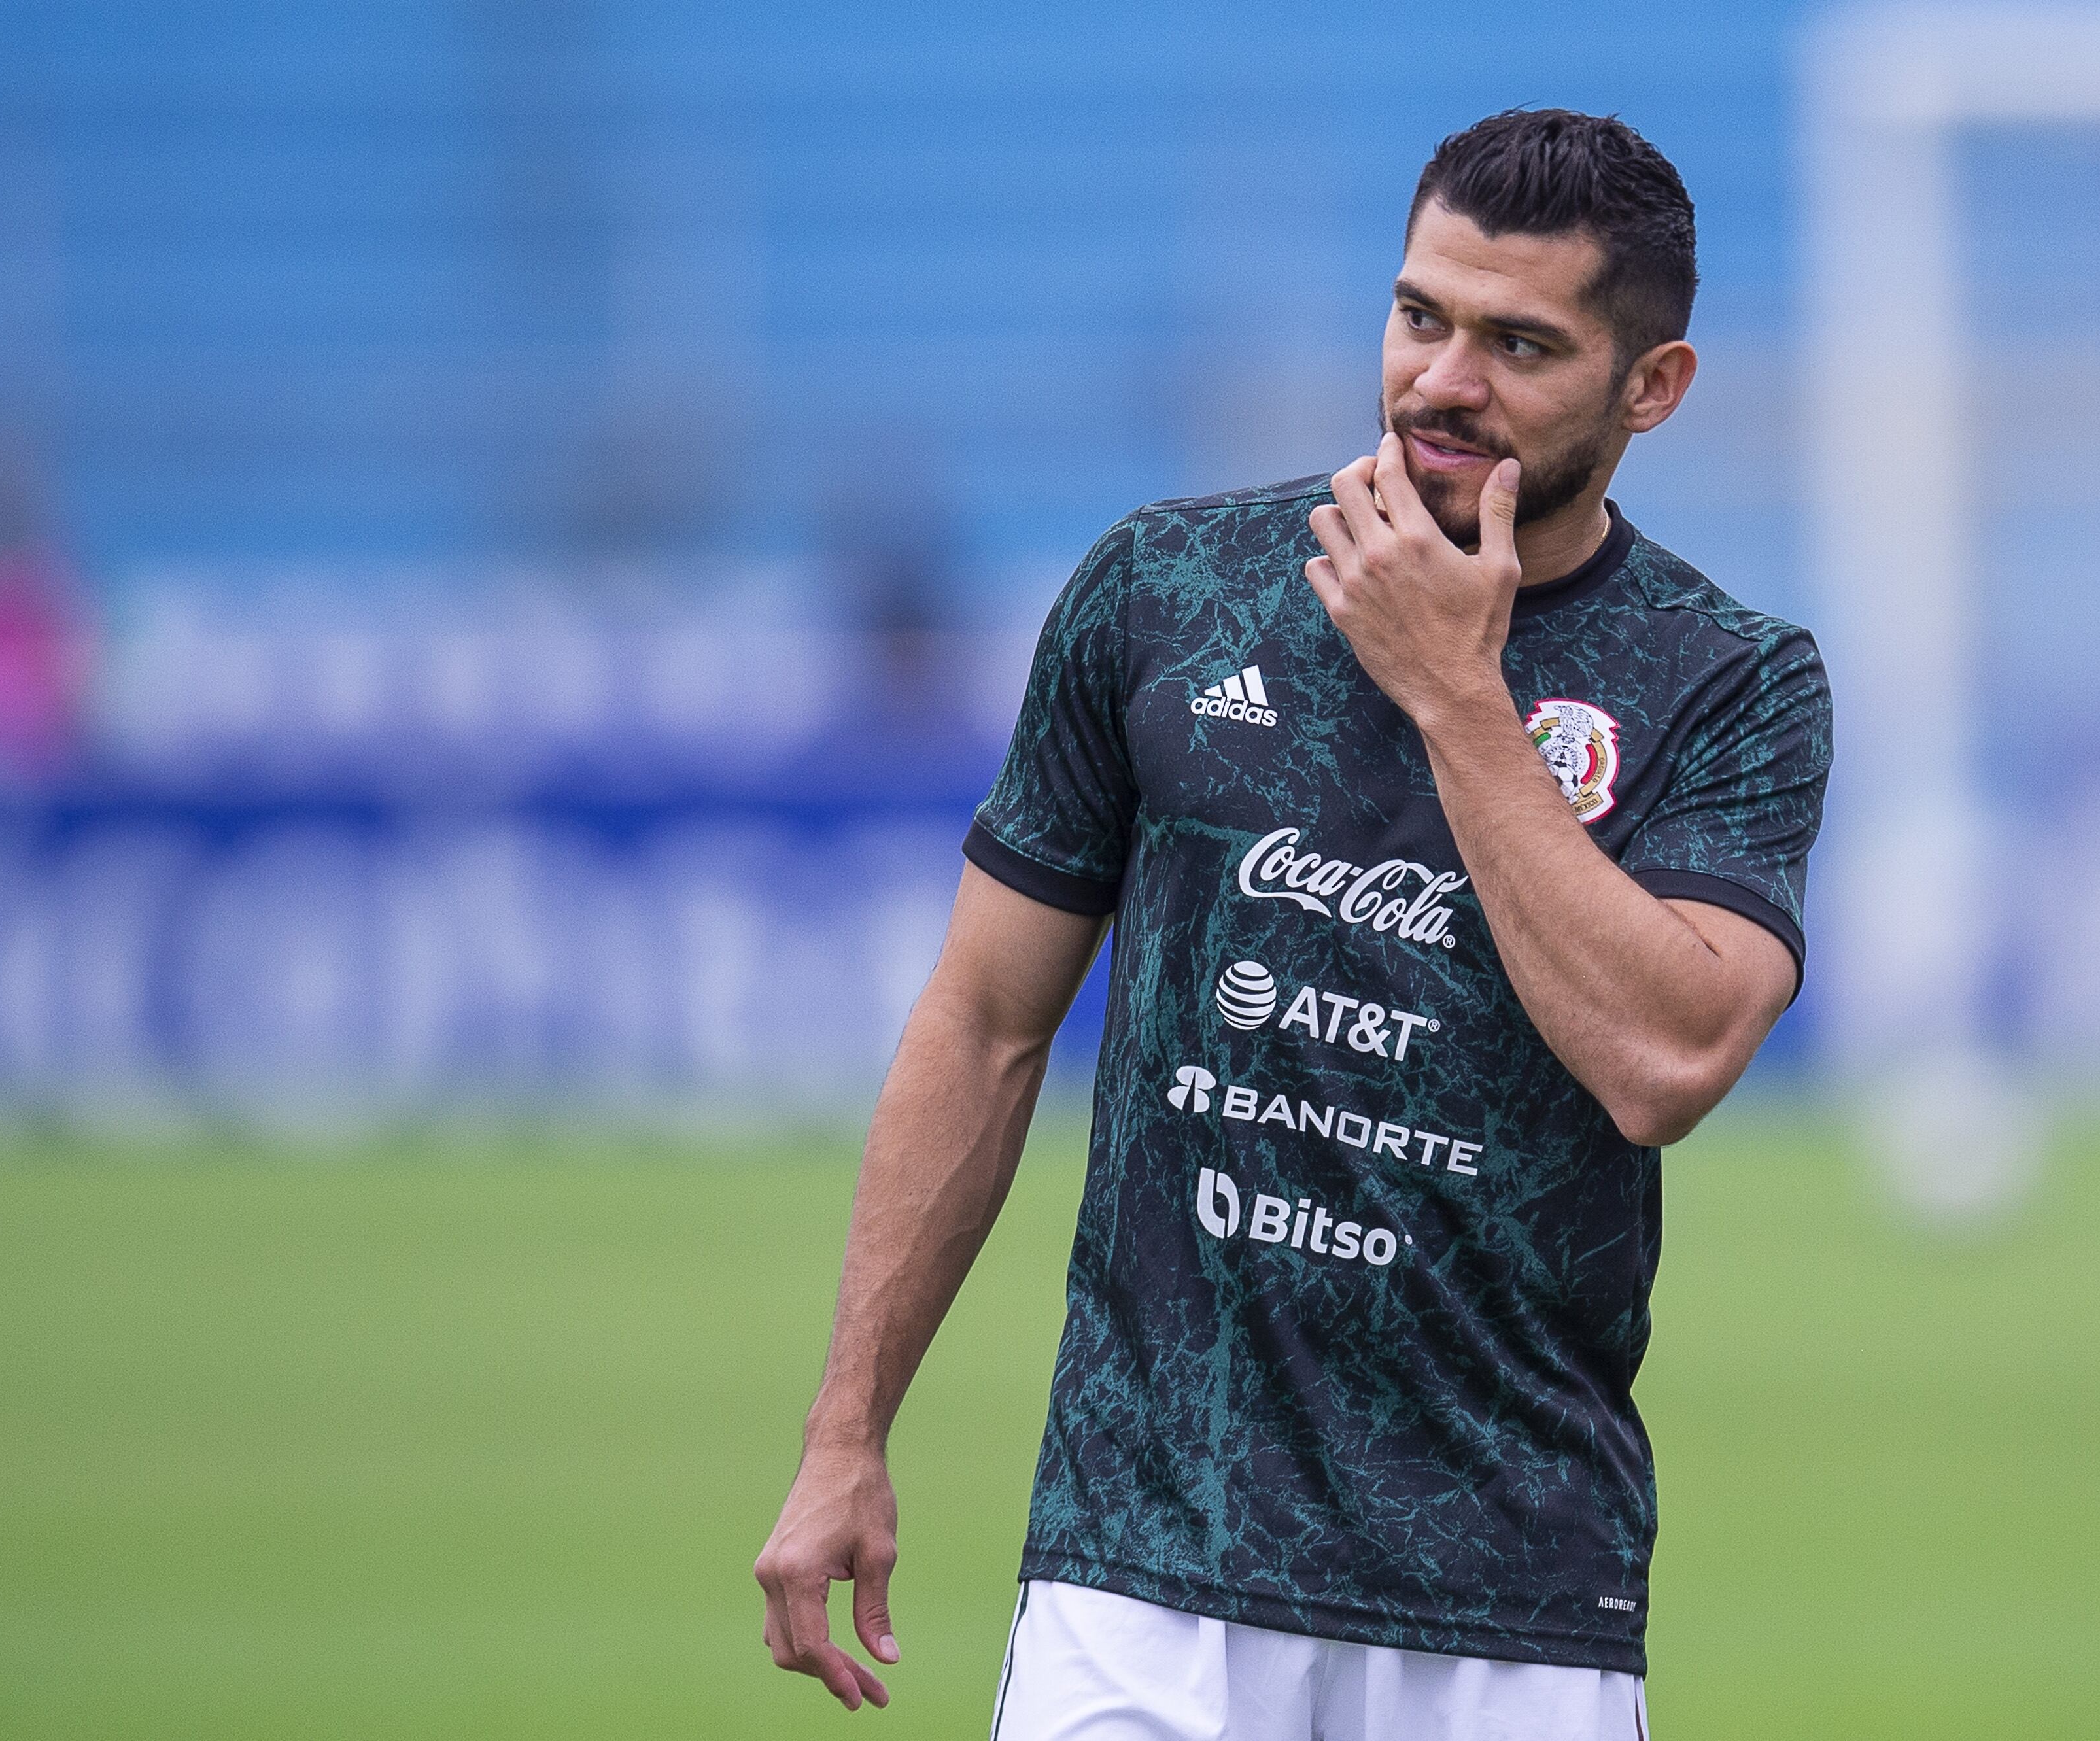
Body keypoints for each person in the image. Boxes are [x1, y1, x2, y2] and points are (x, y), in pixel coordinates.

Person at [755, 109, 1831, 1740]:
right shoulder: (1162, 594)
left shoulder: (1729, 680)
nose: (1442, 381)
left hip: (1507, 1604)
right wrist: (845, 1428)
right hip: (1143, 1568)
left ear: (1650, 386)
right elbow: (982, 1025)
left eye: (1520, 342)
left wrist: (1456, 695)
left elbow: (1661, 1057)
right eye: (1420, 316)